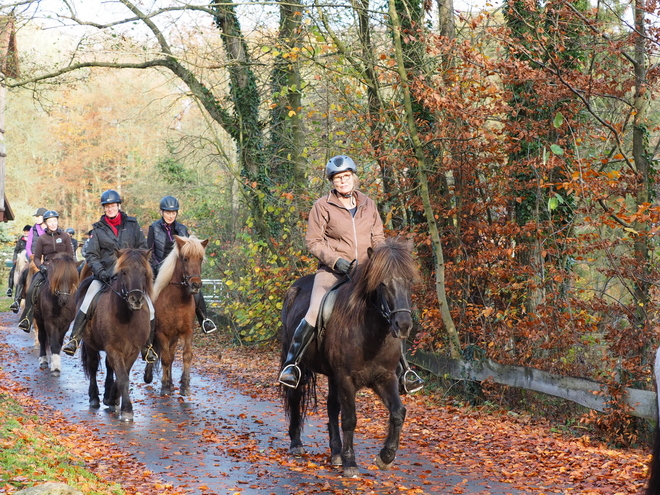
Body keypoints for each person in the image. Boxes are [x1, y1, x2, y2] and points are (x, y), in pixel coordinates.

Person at [277, 155, 425, 393]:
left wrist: (379, 262)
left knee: (391, 310)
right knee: (316, 311)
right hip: (333, 272)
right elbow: (313, 242)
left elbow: (378, 238)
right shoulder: (322, 206)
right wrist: (336, 261)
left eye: (346, 177)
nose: (343, 181)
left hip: (367, 272)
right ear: (332, 182)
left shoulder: (369, 204)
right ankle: (292, 364)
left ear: (354, 178)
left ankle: (405, 371)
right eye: (338, 178)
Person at [61, 189, 157, 362]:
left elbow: (143, 248)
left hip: (129, 276)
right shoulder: (97, 230)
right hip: (105, 275)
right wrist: (100, 272)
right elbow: (91, 254)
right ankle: (74, 339)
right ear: (104, 208)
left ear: (118, 206)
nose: (110, 209)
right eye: (107, 206)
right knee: (89, 297)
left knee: (149, 306)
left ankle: (148, 347)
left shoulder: (132, 225)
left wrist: (137, 265)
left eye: (113, 206)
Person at [147, 195, 217, 334]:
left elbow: (188, 253)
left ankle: (205, 320)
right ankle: (148, 331)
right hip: (159, 269)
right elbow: (149, 251)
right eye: (167, 212)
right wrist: (157, 267)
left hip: (178, 271)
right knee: (148, 297)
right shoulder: (153, 228)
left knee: (196, 290)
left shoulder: (182, 229)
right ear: (162, 212)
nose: (170, 216)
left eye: (173, 213)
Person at [18, 211, 74, 332]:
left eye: (54, 221)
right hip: (47, 268)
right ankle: (26, 317)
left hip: (63, 269)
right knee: (33, 287)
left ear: (57, 221)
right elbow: (37, 257)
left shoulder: (64, 236)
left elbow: (70, 255)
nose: (53, 224)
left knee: (76, 284)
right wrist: (41, 267)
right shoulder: (42, 238)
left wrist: (68, 267)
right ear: (46, 223)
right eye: (50, 221)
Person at [10, 209, 47, 313]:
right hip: (33, 257)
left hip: (47, 259)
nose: (36, 218)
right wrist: (31, 255)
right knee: (24, 272)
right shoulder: (33, 229)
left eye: (38, 216)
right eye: (36, 217)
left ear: (44, 217)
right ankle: (17, 300)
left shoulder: (50, 229)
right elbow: (28, 244)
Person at [7, 225, 31, 298]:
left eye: (27, 231)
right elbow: (16, 251)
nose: (26, 232)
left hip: (29, 259)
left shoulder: (32, 239)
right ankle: (10, 288)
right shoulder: (21, 239)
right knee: (12, 270)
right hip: (20, 258)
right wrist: (14, 259)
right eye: (25, 231)